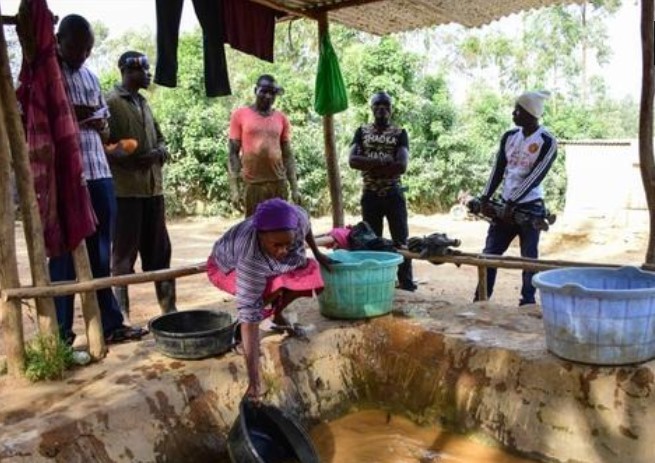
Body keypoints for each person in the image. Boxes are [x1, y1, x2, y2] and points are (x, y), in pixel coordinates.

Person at [48, 15, 145, 344]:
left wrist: (95, 119)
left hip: (99, 172)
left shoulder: (90, 76)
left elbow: (103, 122)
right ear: (59, 41)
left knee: (101, 254)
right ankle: (60, 337)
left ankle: (110, 325)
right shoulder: (48, 73)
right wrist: (73, 112)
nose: (83, 54)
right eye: (76, 47)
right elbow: (37, 114)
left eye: (88, 48)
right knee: (63, 256)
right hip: (65, 177)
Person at [206, 198, 332, 402]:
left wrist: (317, 253)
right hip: (225, 267)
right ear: (261, 237)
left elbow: (307, 225)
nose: (283, 250)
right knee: (257, 303)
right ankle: (241, 335)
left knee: (311, 275)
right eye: (276, 245)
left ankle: (274, 314)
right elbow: (249, 314)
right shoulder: (249, 257)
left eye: (288, 244)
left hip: (270, 264)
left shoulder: (297, 219)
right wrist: (254, 383)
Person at [105, 51, 177, 318]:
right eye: (144, 70)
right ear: (128, 70)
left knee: (161, 252)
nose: (148, 74)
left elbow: (160, 137)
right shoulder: (111, 103)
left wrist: (159, 151)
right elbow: (105, 146)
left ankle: (169, 310)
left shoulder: (144, 103)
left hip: (153, 190)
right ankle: (121, 316)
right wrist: (131, 160)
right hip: (126, 192)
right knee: (123, 257)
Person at [474, 90, 558, 306]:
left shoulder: (547, 141)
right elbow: (498, 169)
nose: (514, 113)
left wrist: (512, 202)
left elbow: (535, 177)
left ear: (531, 113)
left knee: (528, 258)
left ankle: (527, 302)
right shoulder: (509, 137)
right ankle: (481, 298)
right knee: (490, 254)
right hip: (504, 207)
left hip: (530, 208)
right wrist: (485, 198)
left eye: (518, 109)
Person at [348, 91, 416, 292]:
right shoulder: (362, 131)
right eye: (377, 105)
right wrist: (381, 162)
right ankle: (375, 282)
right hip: (370, 195)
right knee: (371, 240)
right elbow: (352, 161)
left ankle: (406, 283)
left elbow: (401, 165)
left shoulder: (399, 132)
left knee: (401, 240)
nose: (382, 109)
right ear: (371, 108)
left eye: (386, 105)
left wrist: (368, 164)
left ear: (391, 109)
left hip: (393, 194)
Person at [228, 75, 300, 217]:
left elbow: (287, 155)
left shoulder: (281, 118)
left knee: (280, 228)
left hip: (278, 184)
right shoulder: (240, 115)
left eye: (272, 93)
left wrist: (295, 188)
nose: (268, 96)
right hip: (253, 185)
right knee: (254, 231)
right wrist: (234, 189)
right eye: (264, 91)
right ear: (256, 90)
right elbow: (233, 153)